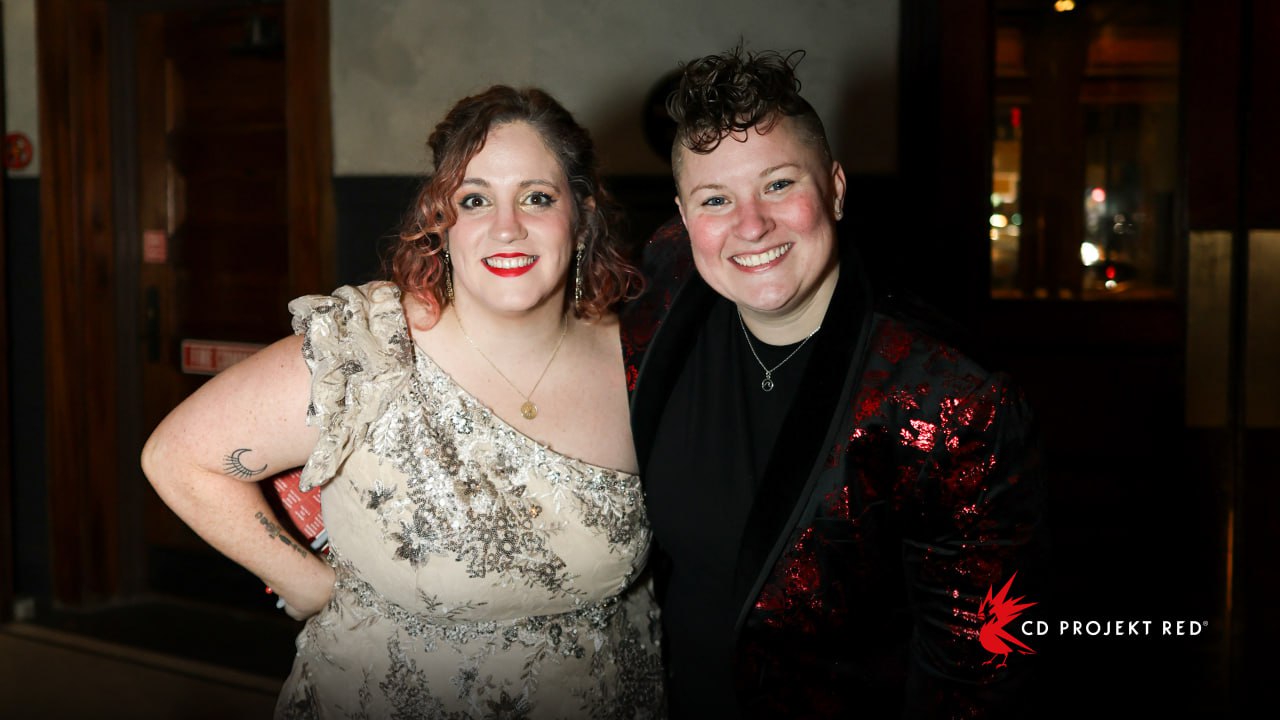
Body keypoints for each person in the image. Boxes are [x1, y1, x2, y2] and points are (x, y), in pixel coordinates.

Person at [142, 85, 665, 719]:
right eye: (474, 200)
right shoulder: (369, 346)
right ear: (440, 222)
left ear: (581, 215)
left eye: (536, 197)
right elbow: (179, 457)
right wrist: (306, 583)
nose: (506, 227)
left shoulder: (641, 352)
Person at [621, 48, 1046, 718]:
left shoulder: (949, 401)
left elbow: (976, 671)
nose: (750, 224)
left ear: (837, 188)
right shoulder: (663, 289)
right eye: (716, 199)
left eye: (779, 185)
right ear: (682, 217)